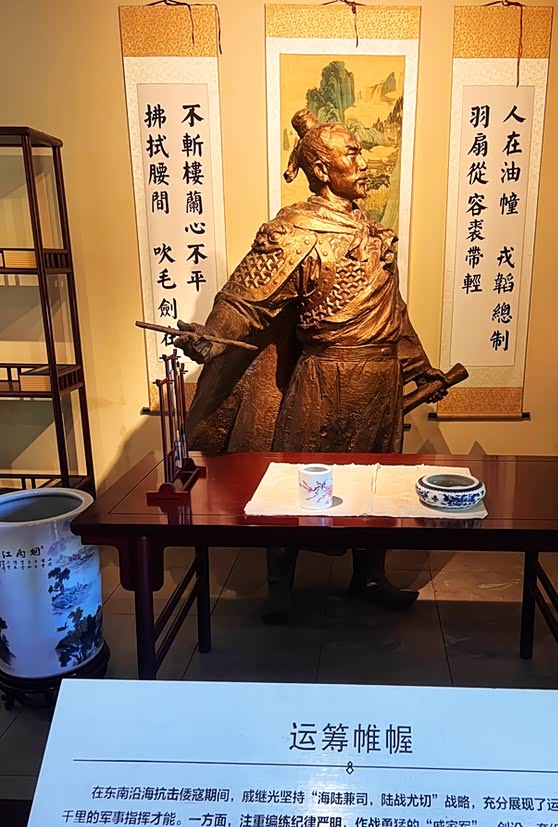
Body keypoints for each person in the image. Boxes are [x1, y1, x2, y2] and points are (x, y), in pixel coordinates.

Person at [176, 109, 448, 620]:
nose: (363, 164)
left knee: (377, 482)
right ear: (321, 169)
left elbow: (391, 309)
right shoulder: (295, 231)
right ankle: (280, 587)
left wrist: (417, 365)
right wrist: (211, 339)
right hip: (325, 380)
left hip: (381, 382)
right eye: (352, 155)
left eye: (361, 154)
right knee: (298, 480)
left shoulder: (370, 229)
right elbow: (245, 300)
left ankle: (370, 575)